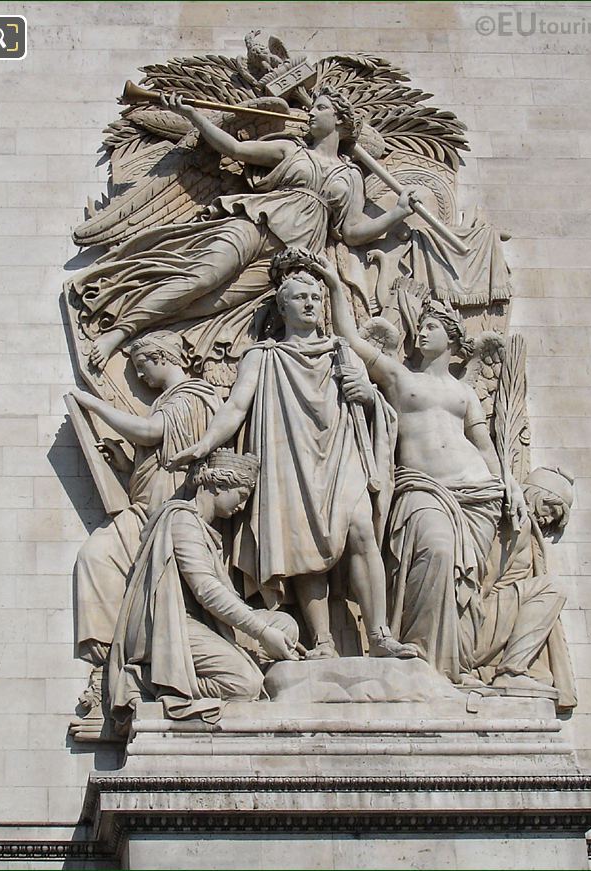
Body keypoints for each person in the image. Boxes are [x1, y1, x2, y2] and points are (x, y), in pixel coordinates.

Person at [168, 249, 415, 660]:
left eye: (316, 298)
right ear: (282, 307)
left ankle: (380, 635)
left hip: (341, 450)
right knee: (301, 542)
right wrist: (204, 444)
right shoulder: (262, 356)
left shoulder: (343, 351)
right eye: (301, 298)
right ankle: (323, 641)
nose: (311, 305)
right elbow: (235, 409)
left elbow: (381, 406)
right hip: (289, 455)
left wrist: (368, 397)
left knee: (361, 530)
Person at [67, 87, 421, 370]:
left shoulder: (351, 176)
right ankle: (118, 332)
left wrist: (397, 213)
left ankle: (146, 327)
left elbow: (352, 231)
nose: (311, 112)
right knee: (201, 278)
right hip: (256, 223)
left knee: (210, 303)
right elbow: (234, 148)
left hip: (293, 258)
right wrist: (192, 116)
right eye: (313, 106)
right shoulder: (290, 150)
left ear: (340, 121)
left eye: (321, 108)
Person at [323, 256, 528, 683]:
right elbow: (349, 337)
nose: (423, 333)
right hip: (422, 487)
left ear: (452, 340)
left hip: (477, 494)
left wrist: (510, 484)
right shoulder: (398, 376)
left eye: (432, 327)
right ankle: (418, 652)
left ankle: (452, 666)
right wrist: (334, 285)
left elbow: (484, 444)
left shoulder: (465, 392)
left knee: (463, 582)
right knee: (435, 551)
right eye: (423, 327)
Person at [108, 449, 300, 724]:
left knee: (286, 625)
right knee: (245, 684)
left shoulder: (203, 529)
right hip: (171, 627)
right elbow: (206, 590)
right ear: (219, 485)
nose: (242, 507)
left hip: (203, 624)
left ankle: (236, 659)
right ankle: (149, 682)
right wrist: (262, 632)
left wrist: (268, 629)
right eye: (242, 496)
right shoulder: (183, 520)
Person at [69, 330, 220, 670]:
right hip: (148, 506)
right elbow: (157, 452)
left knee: (97, 555)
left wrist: (96, 405)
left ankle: (119, 659)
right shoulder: (167, 401)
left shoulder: (191, 396)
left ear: (161, 358)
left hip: (168, 509)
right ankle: (112, 659)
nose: (139, 375)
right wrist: (125, 465)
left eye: (141, 365)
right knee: (96, 556)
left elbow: (153, 433)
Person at [473, 466, 577, 709]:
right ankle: (511, 670)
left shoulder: (522, 526)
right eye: (550, 508)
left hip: (493, 620)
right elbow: (484, 581)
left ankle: (511, 668)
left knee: (543, 678)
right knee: (552, 588)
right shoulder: (517, 525)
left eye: (555, 515)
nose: (549, 518)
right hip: (476, 624)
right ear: (535, 496)